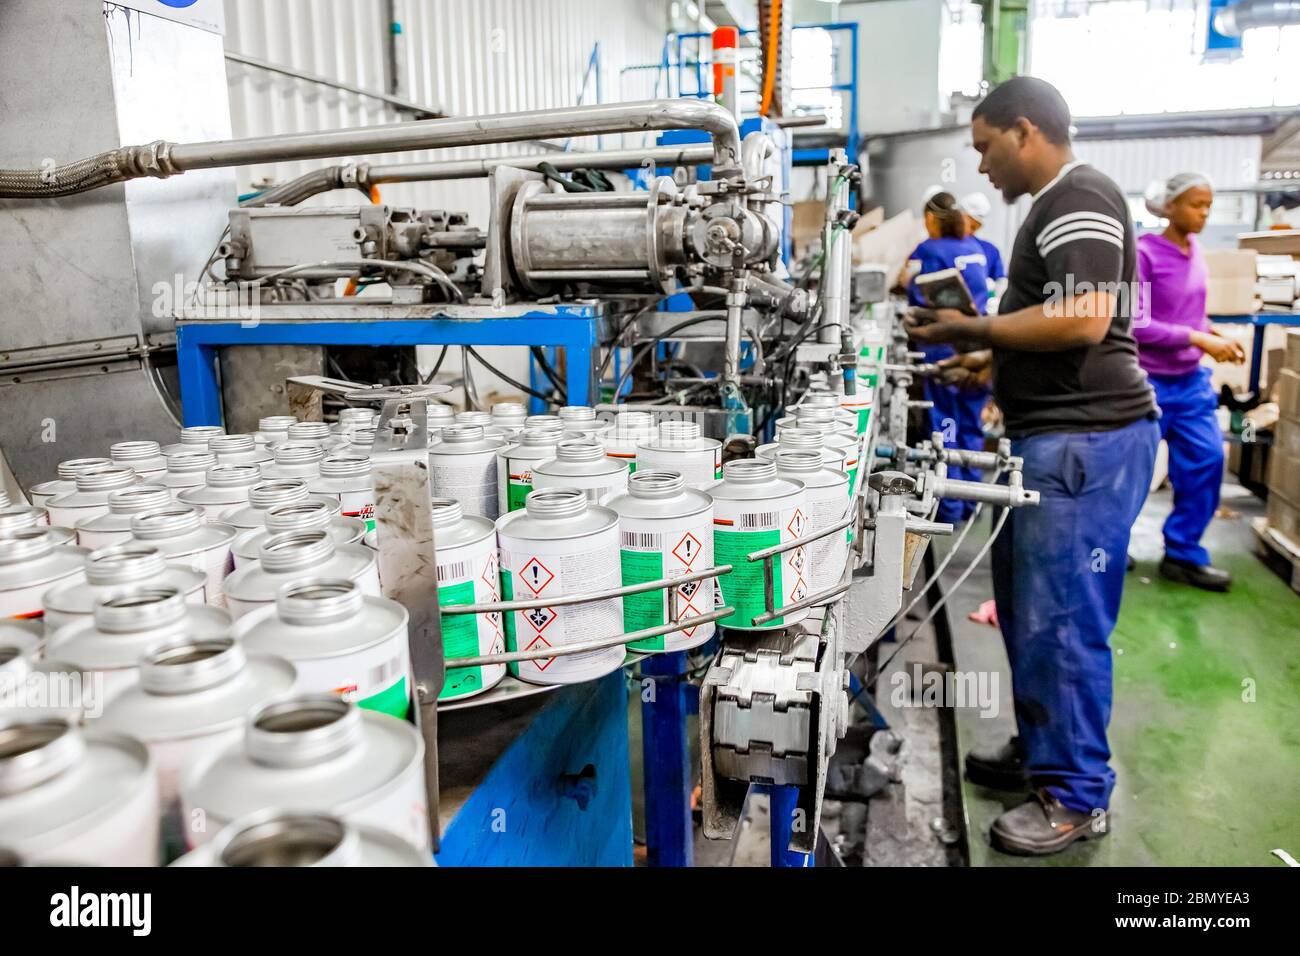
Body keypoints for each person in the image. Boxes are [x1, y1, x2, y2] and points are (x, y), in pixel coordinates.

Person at [909, 76, 1160, 856]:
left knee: (1063, 621)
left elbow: (1085, 320)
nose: (981, 168)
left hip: (1085, 444)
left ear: (1025, 131)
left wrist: (969, 322)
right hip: (1053, 437)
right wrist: (985, 360)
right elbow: (1061, 325)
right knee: (1025, 609)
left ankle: (1078, 793)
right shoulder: (1054, 206)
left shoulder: (1079, 193)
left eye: (985, 147)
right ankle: (1045, 746)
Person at [1134, 173, 1245, 591]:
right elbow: (1137, 322)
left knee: (1206, 460)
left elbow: (1192, 312)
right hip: (1148, 381)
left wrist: (1212, 334)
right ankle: (1109, 545)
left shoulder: (1196, 251)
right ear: (1170, 206)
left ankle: (1182, 554)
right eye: (1196, 204)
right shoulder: (1144, 254)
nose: (1204, 213)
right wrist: (1197, 338)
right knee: (1131, 470)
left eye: (1208, 205)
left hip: (1190, 381)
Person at [898, 190, 992, 524]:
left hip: (944, 349)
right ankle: (973, 501)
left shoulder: (929, 249)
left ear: (930, 219)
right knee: (970, 425)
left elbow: (913, 290)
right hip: (980, 347)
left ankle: (949, 507)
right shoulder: (976, 248)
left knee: (945, 429)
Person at [960, 191, 1007, 311]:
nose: (971, 230)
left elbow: (1001, 281)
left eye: (975, 226)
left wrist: (995, 298)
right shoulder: (943, 246)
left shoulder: (989, 250)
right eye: (969, 223)